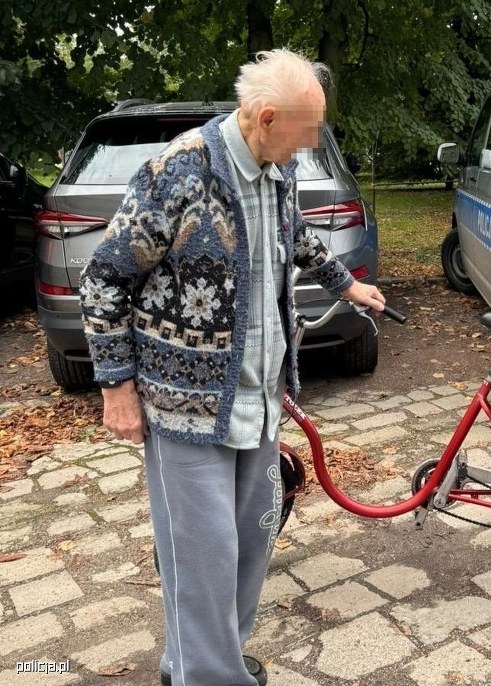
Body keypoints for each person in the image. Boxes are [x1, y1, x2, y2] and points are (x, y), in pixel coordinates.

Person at [79, 49, 385, 686]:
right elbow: (104, 279)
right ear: (265, 118)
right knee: (204, 555)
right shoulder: (179, 172)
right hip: (183, 406)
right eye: (303, 136)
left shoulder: (276, 171)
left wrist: (343, 282)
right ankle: (210, 675)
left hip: (259, 397)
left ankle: (197, 659)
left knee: (251, 540)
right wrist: (116, 387)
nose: (305, 151)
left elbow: (292, 233)